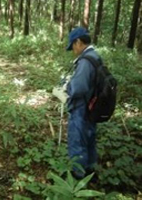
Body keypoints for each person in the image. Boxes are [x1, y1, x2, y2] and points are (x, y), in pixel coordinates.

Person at [65, 27, 102, 180]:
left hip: (81, 109)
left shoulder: (85, 61)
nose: (73, 49)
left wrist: (68, 87)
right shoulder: (95, 56)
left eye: (73, 45)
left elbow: (79, 88)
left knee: (77, 142)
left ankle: (78, 177)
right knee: (89, 140)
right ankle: (90, 172)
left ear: (78, 42)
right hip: (92, 107)